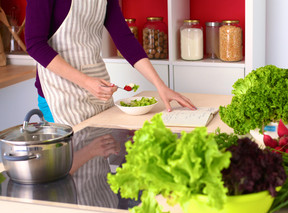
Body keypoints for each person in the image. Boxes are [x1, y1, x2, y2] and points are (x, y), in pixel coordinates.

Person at [25, 0, 196, 126]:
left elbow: (124, 38)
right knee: (73, 165)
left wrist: (161, 86)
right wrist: (86, 82)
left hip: (97, 88)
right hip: (59, 92)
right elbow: (34, 44)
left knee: (99, 167)